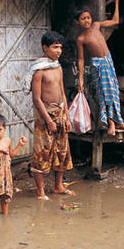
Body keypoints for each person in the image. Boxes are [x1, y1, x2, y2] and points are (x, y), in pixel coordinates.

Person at [30, 31, 76, 200]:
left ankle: (58, 186)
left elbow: (63, 93)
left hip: (61, 113)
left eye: (60, 47)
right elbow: (36, 99)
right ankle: (40, 190)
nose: (58, 51)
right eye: (55, 47)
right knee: (42, 152)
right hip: (45, 116)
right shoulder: (39, 71)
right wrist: (48, 120)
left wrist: (67, 117)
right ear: (45, 48)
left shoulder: (58, 67)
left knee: (62, 151)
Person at [75, 0, 124, 136]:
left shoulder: (97, 25)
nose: (87, 20)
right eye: (83, 19)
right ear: (77, 22)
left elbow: (115, 21)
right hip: (98, 64)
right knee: (105, 93)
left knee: (114, 91)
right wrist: (80, 79)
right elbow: (81, 59)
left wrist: (116, 3)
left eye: (88, 17)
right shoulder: (81, 39)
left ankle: (119, 121)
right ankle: (111, 123)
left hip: (108, 61)